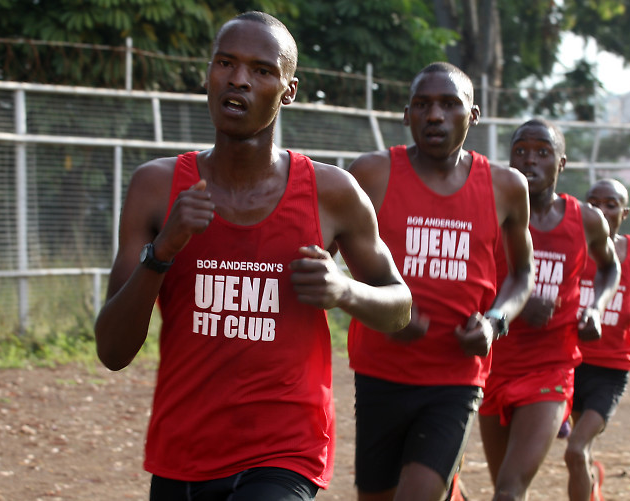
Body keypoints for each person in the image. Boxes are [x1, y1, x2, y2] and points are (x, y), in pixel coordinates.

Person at [94, 11, 412, 501]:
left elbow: (400, 306)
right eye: (225, 63)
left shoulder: (331, 193)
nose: (238, 79)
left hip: (284, 455)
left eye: (261, 70)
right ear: (209, 75)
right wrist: (162, 252)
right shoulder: (157, 188)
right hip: (183, 453)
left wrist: (344, 289)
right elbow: (112, 351)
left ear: (289, 90)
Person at [346, 62, 536, 501]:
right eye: (423, 105)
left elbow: (522, 274)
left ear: (474, 115)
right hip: (379, 372)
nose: (435, 115)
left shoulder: (506, 186)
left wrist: (494, 322)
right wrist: (380, 309)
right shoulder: (372, 174)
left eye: (450, 104)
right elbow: (327, 263)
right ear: (406, 115)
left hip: (457, 376)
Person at [478, 118, 621, 501]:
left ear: (561, 164)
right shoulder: (490, 214)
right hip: (492, 366)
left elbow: (610, 267)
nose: (530, 160)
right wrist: (516, 308)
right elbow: (469, 281)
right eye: (520, 151)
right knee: (504, 490)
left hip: (551, 367)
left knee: (508, 491)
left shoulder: (586, 220)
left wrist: (595, 307)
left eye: (543, 152)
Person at [564, 178, 630, 501]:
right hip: (567, 361)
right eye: (593, 202)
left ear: (625, 212)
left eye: (611, 204)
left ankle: (588, 477)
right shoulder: (569, 243)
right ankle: (591, 481)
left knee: (575, 448)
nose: (601, 210)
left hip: (610, 369)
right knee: (582, 450)